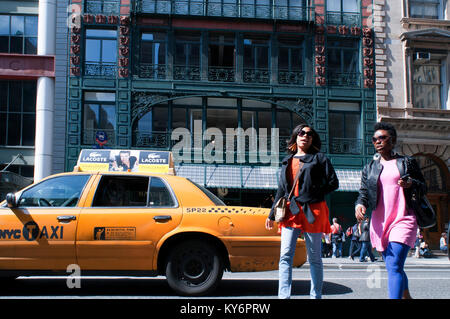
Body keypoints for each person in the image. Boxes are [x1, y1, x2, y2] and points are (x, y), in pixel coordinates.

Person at [265, 124, 339, 299]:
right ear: (295, 137)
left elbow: (333, 182)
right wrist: (272, 214)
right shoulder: (287, 160)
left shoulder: (319, 158)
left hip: (313, 211)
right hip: (291, 212)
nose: (305, 136)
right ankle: (284, 296)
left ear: (312, 139)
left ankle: (316, 296)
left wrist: (313, 194)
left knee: (314, 258)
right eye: (301, 133)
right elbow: (281, 191)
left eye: (309, 134)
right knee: (285, 256)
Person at [355, 122, 427, 299]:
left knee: (394, 265)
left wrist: (411, 184)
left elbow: (423, 186)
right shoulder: (370, 167)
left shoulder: (407, 162)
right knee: (393, 266)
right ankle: (407, 296)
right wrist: (359, 204)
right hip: (380, 222)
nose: (378, 142)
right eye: (375, 139)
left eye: (382, 138)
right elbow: (364, 192)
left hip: (404, 218)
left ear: (392, 140)